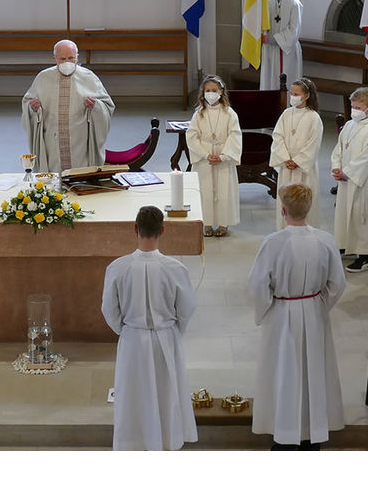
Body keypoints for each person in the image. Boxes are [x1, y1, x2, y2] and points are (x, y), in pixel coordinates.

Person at [249, 183, 346, 450]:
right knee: (313, 372)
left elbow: (257, 285)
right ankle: (312, 435)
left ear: (283, 210)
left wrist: (268, 309)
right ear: (309, 208)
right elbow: (338, 283)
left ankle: (284, 435)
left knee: (284, 374)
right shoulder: (326, 240)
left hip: (282, 313)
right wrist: (319, 305)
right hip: (313, 311)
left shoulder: (273, 243)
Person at [100, 205, 197, 451]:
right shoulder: (175, 268)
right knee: (165, 393)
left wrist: (127, 331)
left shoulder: (118, 267)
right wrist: (173, 331)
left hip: (132, 338)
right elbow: (186, 309)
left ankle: (134, 444)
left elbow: (109, 310)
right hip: (166, 336)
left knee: (134, 395)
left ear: (135, 229)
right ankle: (166, 441)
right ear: (163, 229)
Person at [21, 39, 115, 173]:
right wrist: (33, 108)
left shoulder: (89, 77)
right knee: (54, 175)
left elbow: (107, 106)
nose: (67, 62)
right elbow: (27, 103)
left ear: (77, 57)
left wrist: (96, 106)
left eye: (71, 58)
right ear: (55, 59)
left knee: (80, 173)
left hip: (80, 141)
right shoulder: (43, 77)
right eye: (62, 59)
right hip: (52, 141)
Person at [330, 86, 368, 272]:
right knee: (345, 214)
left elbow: (367, 159)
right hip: (345, 179)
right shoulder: (350, 125)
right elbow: (339, 148)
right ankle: (347, 245)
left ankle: (367, 254)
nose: (354, 111)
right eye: (353, 106)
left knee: (362, 218)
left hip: (361, 181)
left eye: (358, 107)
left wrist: (348, 172)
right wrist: (337, 167)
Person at [185, 75, 242, 237]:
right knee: (205, 191)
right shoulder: (199, 114)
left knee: (224, 191)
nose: (211, 93)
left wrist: (223, 156)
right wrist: (204, 154)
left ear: (221, 92)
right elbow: (192, 135)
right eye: (207, 90)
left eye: (214, 90)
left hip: (223, 158)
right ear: (203, 93)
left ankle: (224, 224)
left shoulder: (230, 114)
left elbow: (235, 135)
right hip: (205, 159)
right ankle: (206, 223)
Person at [269, 78, 323, 230]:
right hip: (287, 167)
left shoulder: (314, 118)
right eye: (291, 93)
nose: (293, 97)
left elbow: (313, 143)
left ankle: (306, 231)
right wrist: (286, 158)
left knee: (304, 201)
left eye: (296, 94)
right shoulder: (286, 114)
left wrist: (298, 161)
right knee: (285, 201)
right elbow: (277, 136)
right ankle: (284, 230)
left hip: (303, 168)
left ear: (306, 95)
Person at [260, 0, 303, 91]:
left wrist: (273, 40)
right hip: (269, 50)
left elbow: (294, 30)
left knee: (288, 85)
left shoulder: (294, 3)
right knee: (269, 83)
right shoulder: (267, 0)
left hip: (286, 51)